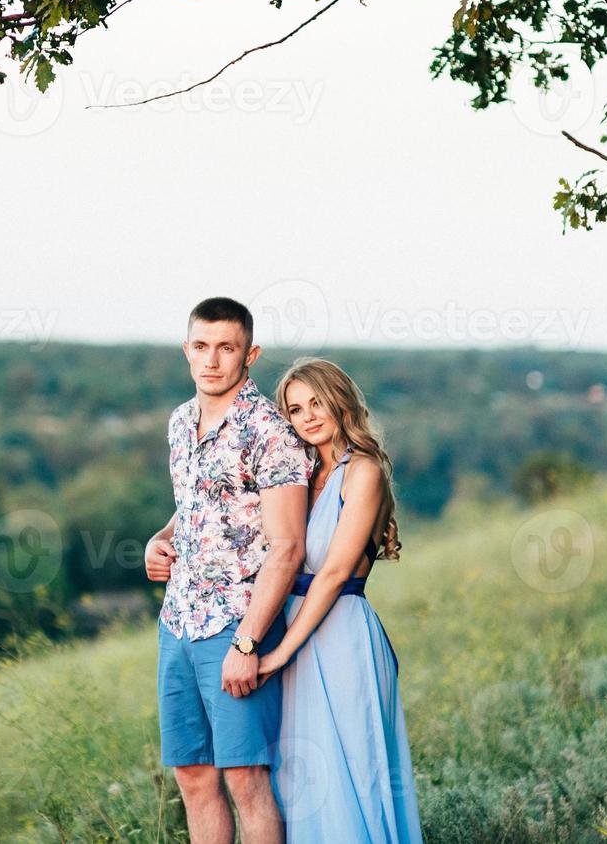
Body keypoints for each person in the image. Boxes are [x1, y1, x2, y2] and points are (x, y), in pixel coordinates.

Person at [144, 296, 313, 844]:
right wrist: (161, 538)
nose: (212, 360)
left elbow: (287, 547)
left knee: (245, 778)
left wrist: (247, 643)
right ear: (186, 350)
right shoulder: (179, 422)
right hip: (179, 623)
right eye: (201, 346)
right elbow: (199, 501)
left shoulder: (269, 431)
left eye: (226, 348)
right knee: (192, 776)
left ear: (250, 354)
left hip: (236, 626)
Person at [256, 356, 423, 843]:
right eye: (293, 409)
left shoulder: (362, 470)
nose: (307, 416)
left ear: (339, 401)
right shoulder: (299, 476)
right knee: (303, 778)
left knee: (354, 769)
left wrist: (282, 652)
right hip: (289, 626)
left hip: (340, 633)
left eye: (316, 402)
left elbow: (332, 574)